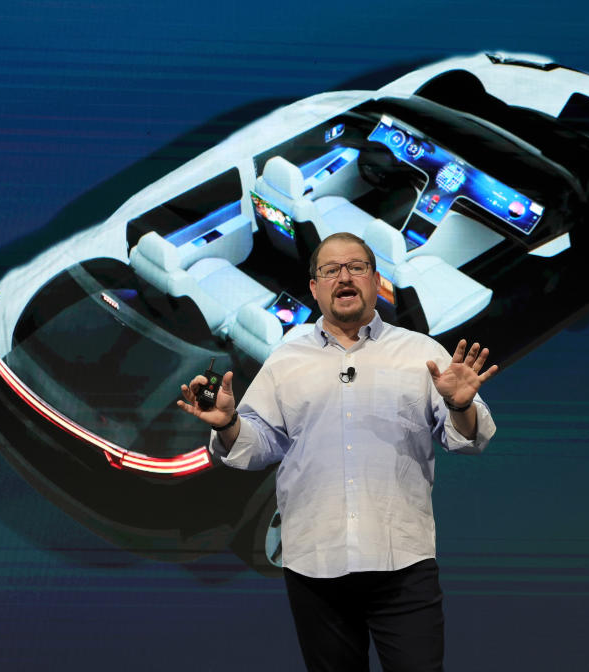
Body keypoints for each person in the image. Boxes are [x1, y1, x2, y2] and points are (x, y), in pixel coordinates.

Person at [179, 232, 498, 671]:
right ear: (314, 287)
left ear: (375, 280)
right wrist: (230, 424)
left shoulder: (420, 353)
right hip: (315, 566)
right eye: (330, 270)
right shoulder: (285, 360)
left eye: (356, 267)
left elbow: (469, 438)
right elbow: (259, 447)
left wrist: (460, 403)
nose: (343, 277)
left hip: (401, 564)